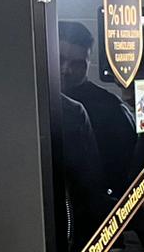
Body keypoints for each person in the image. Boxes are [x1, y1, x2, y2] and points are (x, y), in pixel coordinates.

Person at [58, 20, 137, 198]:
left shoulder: (112, 110)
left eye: (77, 64)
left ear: (88, 62)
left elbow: (126, 176)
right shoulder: (32, 104)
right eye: (60, 59)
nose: (66, 70)